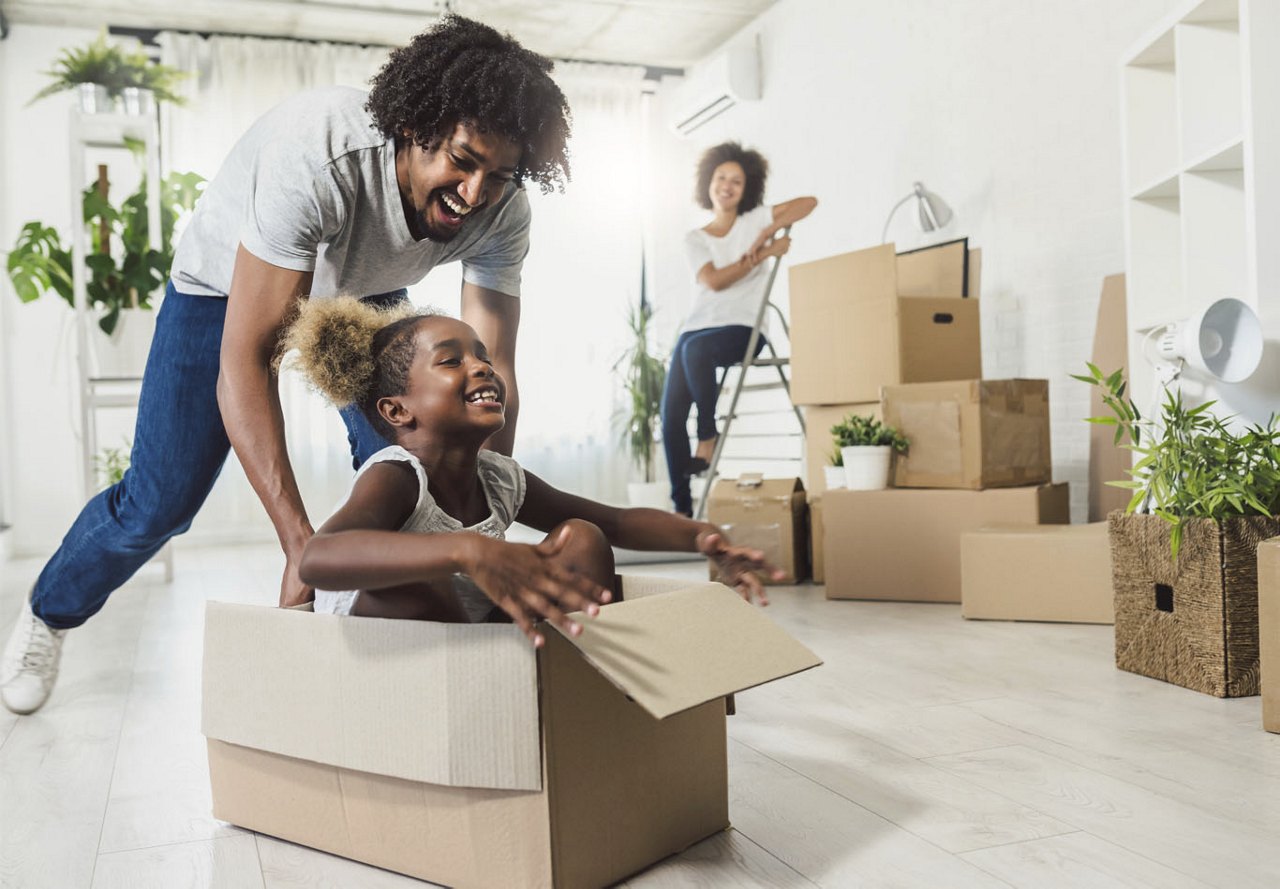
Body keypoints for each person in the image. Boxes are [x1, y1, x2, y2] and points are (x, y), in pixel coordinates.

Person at [0, 15, 572, 715]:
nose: (475, 193)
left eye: (499, 173)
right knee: (159, 501)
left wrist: (484, 517)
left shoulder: (503, 210)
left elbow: (492, 371)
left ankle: (396, 656)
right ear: (418, 127)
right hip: (223, 291)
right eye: (462, 159)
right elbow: (247, 358)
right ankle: (48, 612)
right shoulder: (321, 153)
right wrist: (301, 547)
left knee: (418, 455)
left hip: (367, 289)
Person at [288, 297, 777, 644]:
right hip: (385, 636)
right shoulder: (396, 474)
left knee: (581, 538)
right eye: (451, 361)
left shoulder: (498, 478)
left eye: (482, 355)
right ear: (398, 412)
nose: (481, 367)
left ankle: (541, 677)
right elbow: (317, 559)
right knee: (421, 577)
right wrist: (466, 549)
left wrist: (700, 537)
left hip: (475, 629)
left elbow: (616, 523)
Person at [660, 142, 817, 516]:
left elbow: (808, 202)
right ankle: (682, 510)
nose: (727, 186)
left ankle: (708, 436)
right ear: (708, 183)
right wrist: (764, 254)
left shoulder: (754, 219)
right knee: (670, 417)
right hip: (697, 329)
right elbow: (713, 281)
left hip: (743, 329)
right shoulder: (694, 238)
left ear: (748, 188)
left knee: (693, 350)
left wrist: (768, 231)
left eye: (737, 180)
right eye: (721, 178)